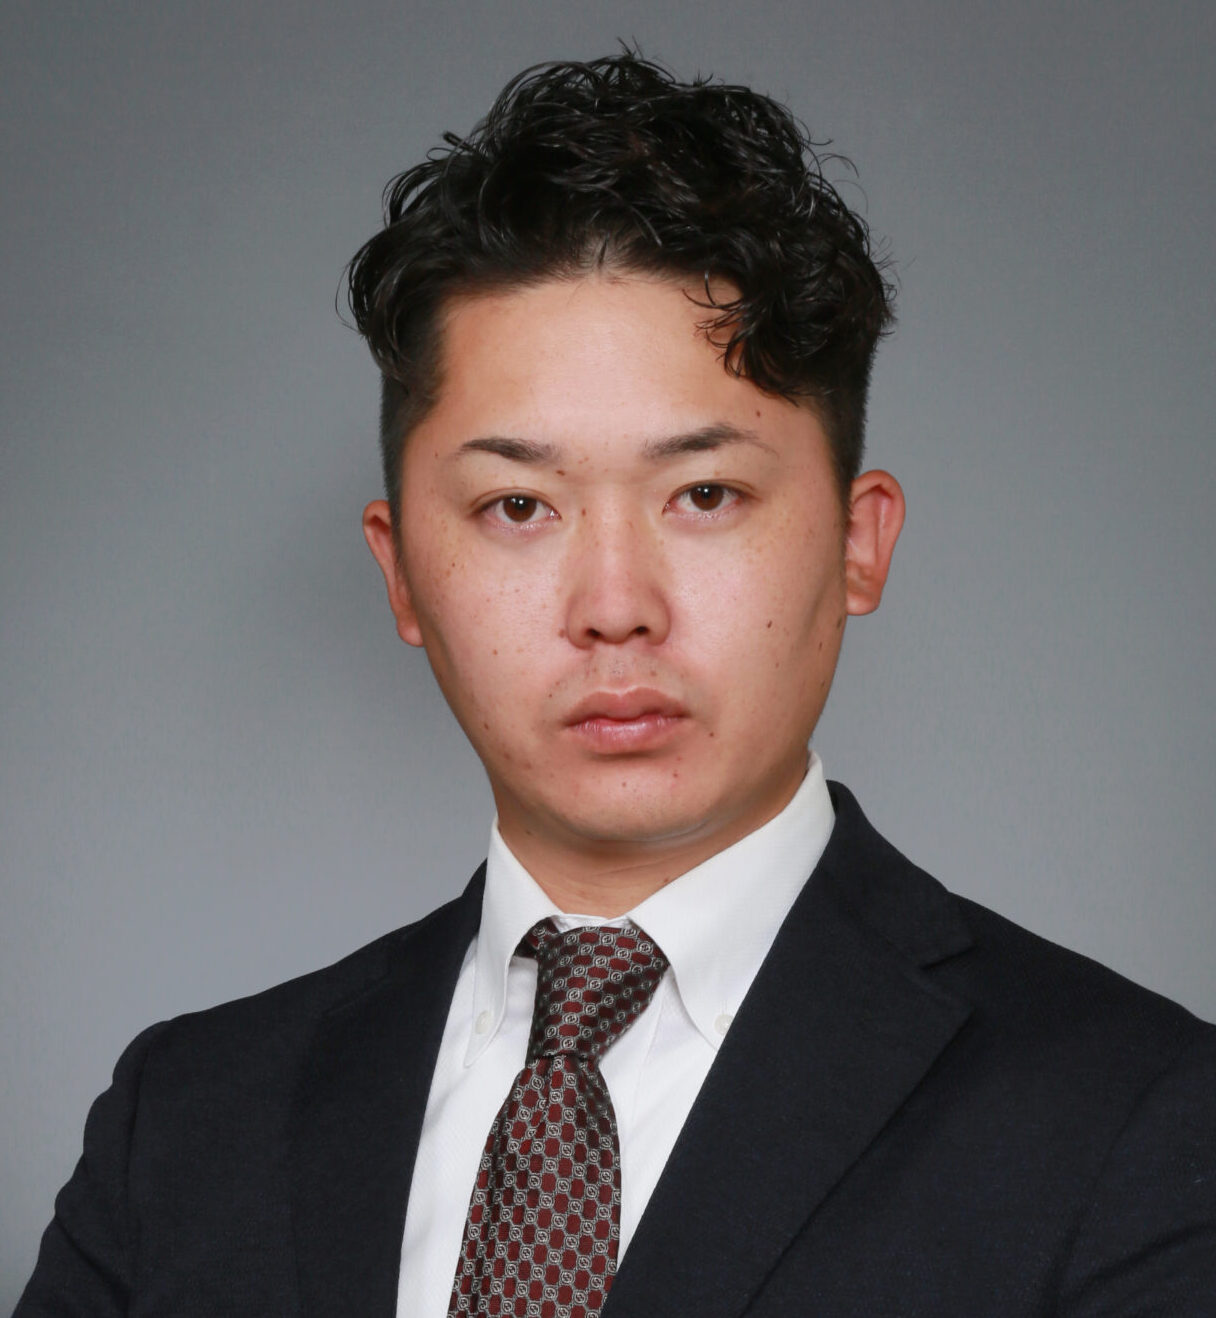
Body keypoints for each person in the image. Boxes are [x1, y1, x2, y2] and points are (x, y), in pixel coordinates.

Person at [16, 51, 1215, 1318]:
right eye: (517, 506)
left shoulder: (1135, 1119)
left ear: (858, 543)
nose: (613, 605)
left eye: (705, 494)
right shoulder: (187, 1119)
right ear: (402, 571)